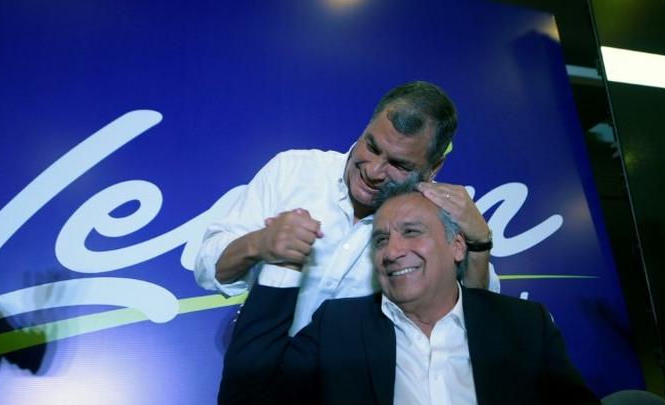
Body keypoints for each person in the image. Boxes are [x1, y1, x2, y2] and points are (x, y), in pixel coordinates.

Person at [218, 180, 615, 405]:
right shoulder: (341, 326)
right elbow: (246, 400)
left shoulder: (525, 325)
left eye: (412, 232)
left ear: (457, 246)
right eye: (381, 240)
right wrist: (282, 266)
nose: (393, 251)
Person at [195, 81, 499, 339]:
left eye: (398, 164)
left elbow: (470, 326)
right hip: (255, 397)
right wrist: (259, 243)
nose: (374, 170)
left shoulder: (439, 217)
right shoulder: (292, 169)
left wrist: (480, 244)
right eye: (372, 146)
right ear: (367, 126)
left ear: (433, 169)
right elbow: (208, 269)